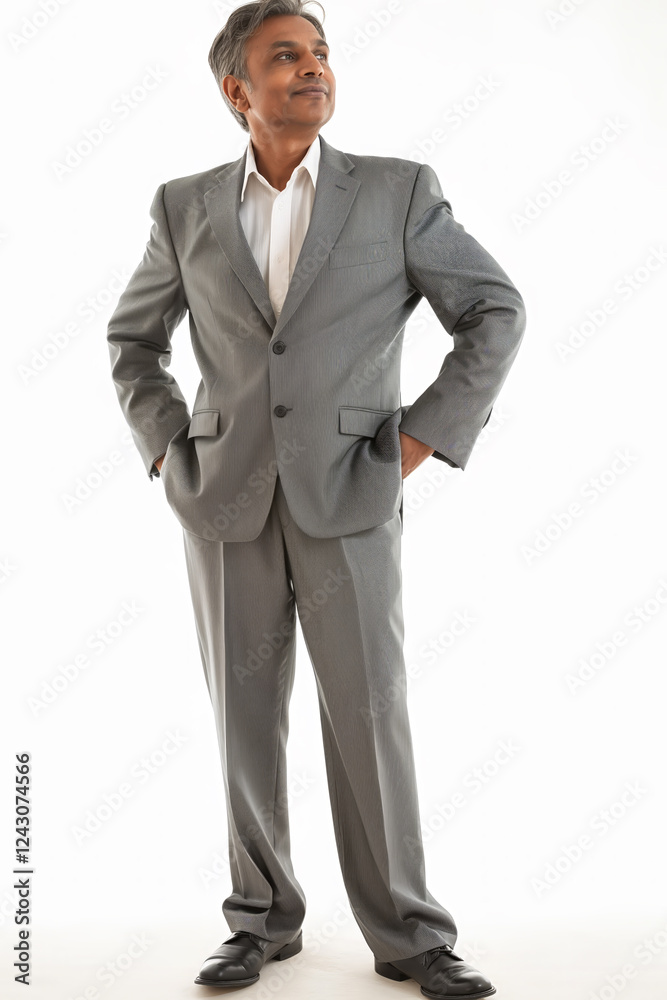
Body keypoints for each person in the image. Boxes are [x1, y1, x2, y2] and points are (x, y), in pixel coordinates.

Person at [106, 1, 526, 995]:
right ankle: (259, 920)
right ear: (235, 91)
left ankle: (410, 934)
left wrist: (420, 437)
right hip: (223, 502)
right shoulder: (183, 205)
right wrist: (171, 449)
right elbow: (133, 342)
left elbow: (493, 310)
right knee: (243, 714)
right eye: (284, 55)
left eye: (320, 52)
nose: (312, 68)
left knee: (369, 714)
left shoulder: (396, 192)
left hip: (352, 493)